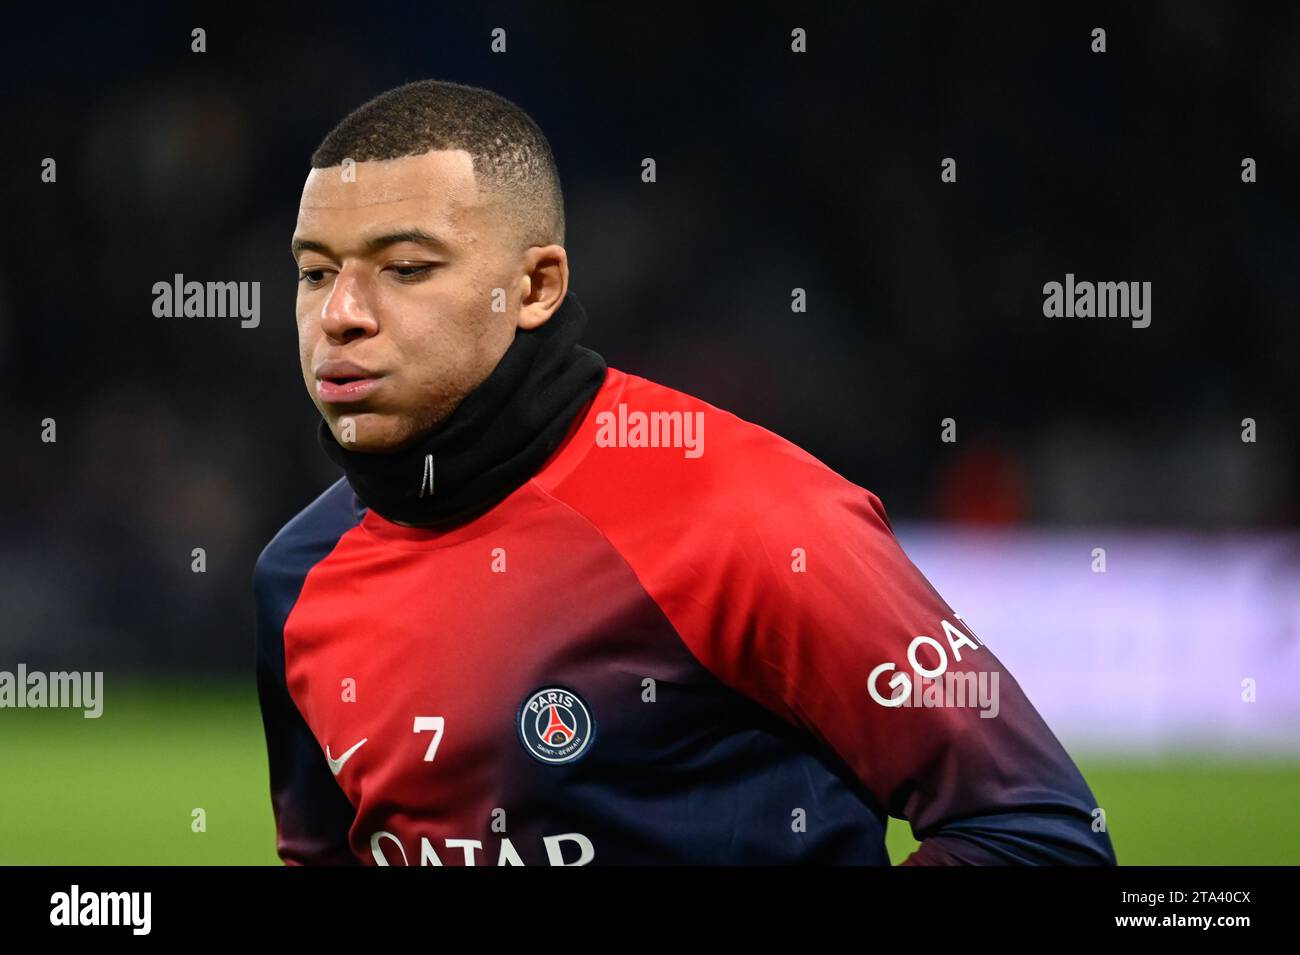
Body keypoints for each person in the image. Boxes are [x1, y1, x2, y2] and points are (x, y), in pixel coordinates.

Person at [254, 78, 1116, 866]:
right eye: (316, 271)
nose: (341, 315)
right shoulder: (294, 579)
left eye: (406, 269)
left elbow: (1040, 836)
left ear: (535, 286)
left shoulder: (748, 511)